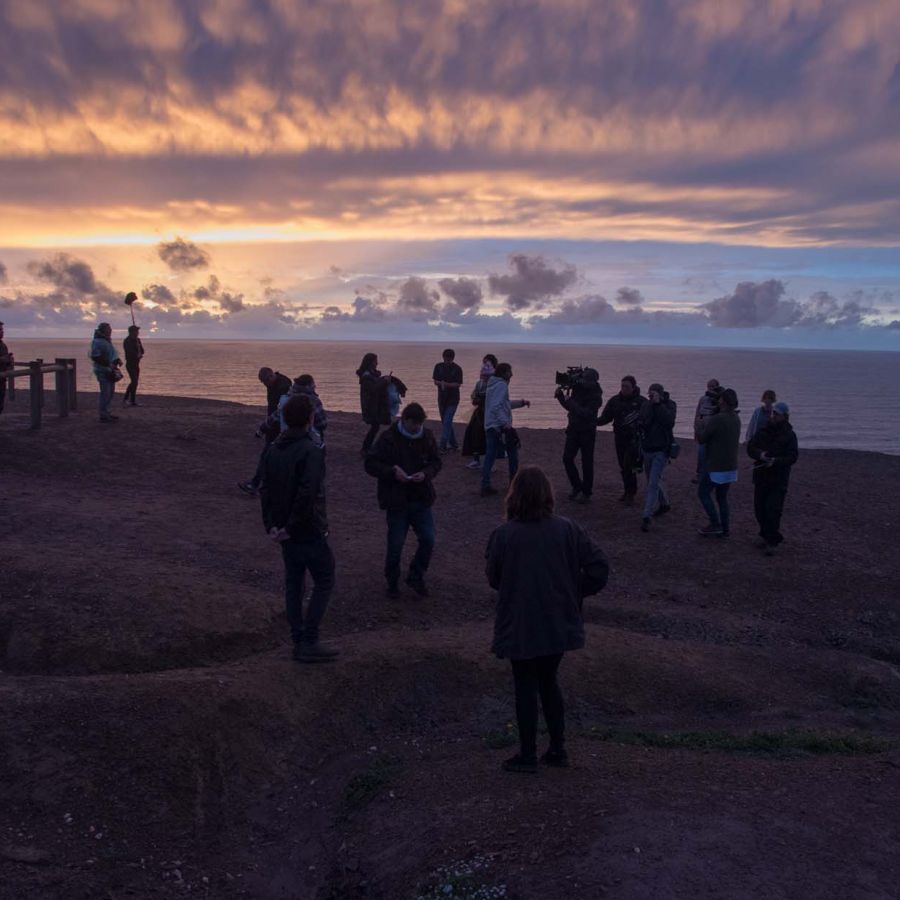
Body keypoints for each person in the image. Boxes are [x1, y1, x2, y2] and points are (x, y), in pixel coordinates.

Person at [485, 466, 609, 773]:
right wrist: (573, 592)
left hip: (520, 622)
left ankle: (528, 754)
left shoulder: (503, 535)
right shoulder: (567, 529)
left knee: (525, 683)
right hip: (557, 620)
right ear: (547, 494)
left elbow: (494, 578)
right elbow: (599, 567)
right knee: (548, 680)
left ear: (514, 496)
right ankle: (557, 748)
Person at [259, 394, 338, 663]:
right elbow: (308, 493)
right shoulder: (311, 450)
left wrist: (272, 525)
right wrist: (289, 527)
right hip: (306, 529)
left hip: (284, 529)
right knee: (324, 579)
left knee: (294, 584)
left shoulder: (272, 449)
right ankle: (309, 640)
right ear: (310, 419)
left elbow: (265, 490)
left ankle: (298, 638)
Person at [364, 402, 442, 598]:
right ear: (405, 420)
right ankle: (392, 581)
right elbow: (370, 463)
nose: (417, 428)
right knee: (395, 545)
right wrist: (392, 472)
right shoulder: (388, 438)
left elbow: (436, 462)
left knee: (429, 539)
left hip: (421, 498)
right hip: (396, 501)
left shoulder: (427, 436)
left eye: (419, 424)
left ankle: (416, 575)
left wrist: (425, 474)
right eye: (414, 424)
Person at [747, 401, 798, 555]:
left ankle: (772, 541)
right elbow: (751, 448)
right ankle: (764, 534)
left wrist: (775, 461)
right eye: (773, 413)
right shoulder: (763, 430)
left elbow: (792, 457)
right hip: (761, 477)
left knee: (773, 510)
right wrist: (761, 455)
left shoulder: (790, 435)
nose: (773, 416)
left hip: (778, 479)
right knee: (759, 509)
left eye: (777, 414)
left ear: (785, 416)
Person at [238, 367, 292, 494]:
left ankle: (256, 484)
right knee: (271, 457)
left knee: (268, 456)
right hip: (274, 426)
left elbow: (279, 411)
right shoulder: (275, 384)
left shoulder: (283, 387)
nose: (265, 385)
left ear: (271, 376)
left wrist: (265, 427)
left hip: (279, 427)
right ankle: (261, 484)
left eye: (265, 382)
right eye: (263, 382)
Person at [696, 388, 741, 537]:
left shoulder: (718, 419)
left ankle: (715, 523)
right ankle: (725, 528)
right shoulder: (736, 418)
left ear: (723, 401)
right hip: (730, 466)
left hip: (716, 465)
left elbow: (702, 438)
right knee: (722, 497)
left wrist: (700, 425)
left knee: (703, 493)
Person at [481, 362, 530, 497]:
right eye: (509, 371)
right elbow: (496, 407)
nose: (512, 374)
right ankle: (513, 485)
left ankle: (485, 485)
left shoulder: (493, 385)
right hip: (499, 427)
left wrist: (521, 403)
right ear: (504, 373)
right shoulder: (501, 385)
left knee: (490, 456)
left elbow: (503, 404)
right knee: (513, 454)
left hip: (490, 425)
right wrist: (505, 424)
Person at [555, 368, 603, 502]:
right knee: (567, 459)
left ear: (593, 381)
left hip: (587, 431)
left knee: (587, 462)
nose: (583, 381)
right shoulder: (578, 389)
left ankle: (586, 492)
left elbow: (585, 413)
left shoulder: (596, 397)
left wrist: (570, 401)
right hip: (573, 429)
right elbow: (570, 408)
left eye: (586, 380)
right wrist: (560, 397)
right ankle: (576, 486)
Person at [597, 375, 643, 505]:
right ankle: (627, 490)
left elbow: (648, 419)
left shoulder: (641, 402)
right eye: (622, 386)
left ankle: (631, 493)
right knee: (623, 466)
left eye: (627, 386)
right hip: (619, 438)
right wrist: (592, 420)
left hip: (634, 440)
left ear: (633, 387)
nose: (624, 389)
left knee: (629, 465)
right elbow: (605, 418)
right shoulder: (615, 401)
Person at [638, 382, 677, 532]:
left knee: (653, 483)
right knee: (653, 480)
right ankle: (664, 503)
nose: (651, 396)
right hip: (647, 448)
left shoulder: (670, 405)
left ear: (660, 393)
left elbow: (669, 422)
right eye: (650, 394)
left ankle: (647, 516)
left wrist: (658, 405)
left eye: (653, 393)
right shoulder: (645, 405)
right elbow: (644, 423)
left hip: (661, 449)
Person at [462, 354, 498, 470]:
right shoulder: (480, 382)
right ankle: (476, 460)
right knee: (474, 434)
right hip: (480, 412)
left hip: (490, 413)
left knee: (489, 438)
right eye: (484, 362)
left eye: (487, 362)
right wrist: (475, 398)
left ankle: (490, 463)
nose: (485, 364)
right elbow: (474, 395)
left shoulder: (496, 381)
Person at [357, 352, 392, 454]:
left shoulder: (369, 375)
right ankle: (365, 448)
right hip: (371, 406)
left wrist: (383, 379)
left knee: (375, 426)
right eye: (375, 361)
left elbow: (375, 385)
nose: (377, 363)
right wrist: (385, 381)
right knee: (375, 426)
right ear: (370, 362)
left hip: (374, 405)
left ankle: (366, 448)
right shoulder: (366, 376)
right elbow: (373, 389)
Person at [89, 322, 122, 423]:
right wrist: (108, 364)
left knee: (110, 392)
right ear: (103, 330)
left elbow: (111, 353)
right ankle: (103, 414)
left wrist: (117, 360)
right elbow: (95, 356)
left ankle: (106, 412)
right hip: (102, 371)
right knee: (105, 393)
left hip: (109, 370)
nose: (110, 330)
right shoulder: (97, 341)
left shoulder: (107, 340)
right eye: (108, 329)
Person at [432, 348, 464, 453]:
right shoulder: (438, 366)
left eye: (449, 359)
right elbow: (435, 381)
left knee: (447, 421)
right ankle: (454, 445)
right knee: (446, 422)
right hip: (442, 398)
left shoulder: (457, 369)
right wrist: (440, 383)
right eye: (446, 359)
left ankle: (443, 446)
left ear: (452, 358)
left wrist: (446, 384)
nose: (447, 361)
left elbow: (458, 384)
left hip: (453, 399)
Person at [693, 378, 722, 483]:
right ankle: (699, 474)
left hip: (713, 433)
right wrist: (695, 429)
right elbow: (697, 414)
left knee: (712, 456)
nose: (711, 388)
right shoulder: (703, 399)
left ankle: (711, 476)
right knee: (701, 454)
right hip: (702, 431)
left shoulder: (720, 401)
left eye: (713, 386)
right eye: (709, 386)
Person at [122, 325, 145, 406]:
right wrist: (136, 355)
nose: (138, 333)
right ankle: (130, 400)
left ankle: (128, 399)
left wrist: (139, 348)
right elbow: (129, 352)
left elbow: (142, 351)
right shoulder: (127, 341)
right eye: (136, 331)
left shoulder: (138, 340)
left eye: (138, 331)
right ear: (132, 332)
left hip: (136, 364)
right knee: (134, 381)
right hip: (130, 364)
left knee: (134, 382)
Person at [0, 321, 14, 416]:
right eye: (0, 330)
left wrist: (9, 361)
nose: (2, 332)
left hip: (2, 379)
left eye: (2, 329)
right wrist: (3, 359)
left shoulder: (3, 345)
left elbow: (6, 362)